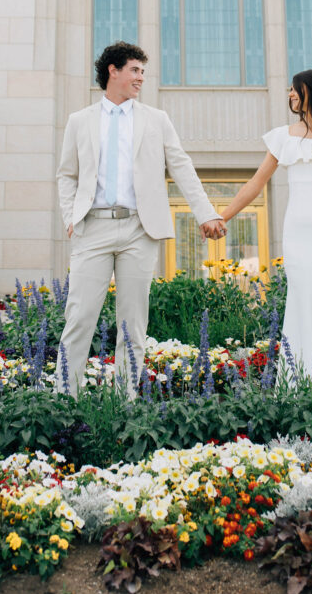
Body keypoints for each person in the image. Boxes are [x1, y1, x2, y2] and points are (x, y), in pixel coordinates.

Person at [55, 41, 226, 396]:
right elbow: (67, 175)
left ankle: (125, 403)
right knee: (79, 318)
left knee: (133, 324)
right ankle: (63, 401)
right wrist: (70, 216)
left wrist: (205, 212)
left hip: (139, 229)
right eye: (134, 70)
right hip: (93, 227)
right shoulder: (79, 121)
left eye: (143, 72)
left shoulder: (156, 119)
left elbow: (181, 166)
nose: (140, 78)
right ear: (112, 71)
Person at [220, 68, 312, 385]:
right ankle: (300, 383)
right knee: (302, 301)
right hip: (297, 237)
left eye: (294, 89)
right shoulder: (282, 137)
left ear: (310, 93)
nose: (289, 94)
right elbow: (256, 183)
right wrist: (224, 216)